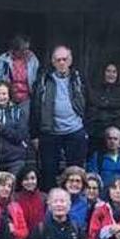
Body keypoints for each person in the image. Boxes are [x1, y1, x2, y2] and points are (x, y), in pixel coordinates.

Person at [32, 45, 88, 189]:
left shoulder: (78, 79)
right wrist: (35, 135)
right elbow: (36, 107)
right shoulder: (44, 79)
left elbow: (89, 103)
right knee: (48, 171)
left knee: (75, 172)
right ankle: (52, 203)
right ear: (53, 62)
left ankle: (75, 201)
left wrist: (86, 128)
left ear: (70, 60)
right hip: (50, 131)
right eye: (58, 60)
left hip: (75, 129)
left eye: (65, 59)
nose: (62, 63)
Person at [0, 81, 29, 177]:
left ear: (9, 95)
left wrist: (1, 127)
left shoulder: (17, 112)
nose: (1, 97)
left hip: (15, 159)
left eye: (4, 94)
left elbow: (19, 136)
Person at [0, 34, 39, 115]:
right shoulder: (4, 59)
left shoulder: (33, 59)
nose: (27, 52)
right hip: (8, 97)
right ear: (15, 50)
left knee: (23, 122)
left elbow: (36, 78)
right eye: (24, 49)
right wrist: (1, 90)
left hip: (26, 98)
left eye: (27, 49)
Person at [87, 127, 120, 191]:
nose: (112, 141)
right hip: (104, 192)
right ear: (105, 140)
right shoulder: (98, 156)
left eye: (115, 139)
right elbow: (92, 177)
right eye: (110, 138)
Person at [15, 166, 46, 232]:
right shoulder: (15, 199)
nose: (30, 182)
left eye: (33, 178)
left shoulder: (44, 198)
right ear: (21, 181)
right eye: (26, 179)